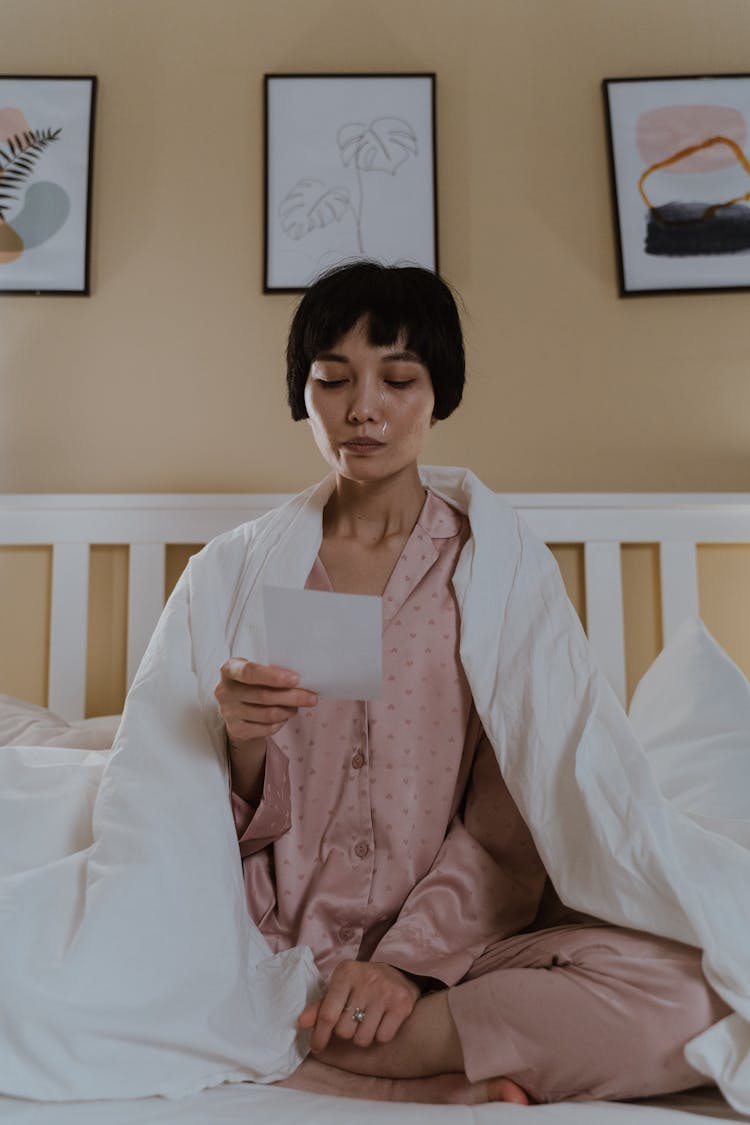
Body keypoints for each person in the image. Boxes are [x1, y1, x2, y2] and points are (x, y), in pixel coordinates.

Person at [214, 261, 729, 1106]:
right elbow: (188, 808)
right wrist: (240, 738)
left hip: (459, 950)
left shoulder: (496, 568)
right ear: (303, 393)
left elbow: (512, 819)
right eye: (332, 379)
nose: (362, 408)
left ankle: (346, 1049)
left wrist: (408, 968)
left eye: (399, 379)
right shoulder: (240, 570)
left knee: (696, 991)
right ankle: (397, 1062)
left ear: (438, 393)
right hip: (269, 935)